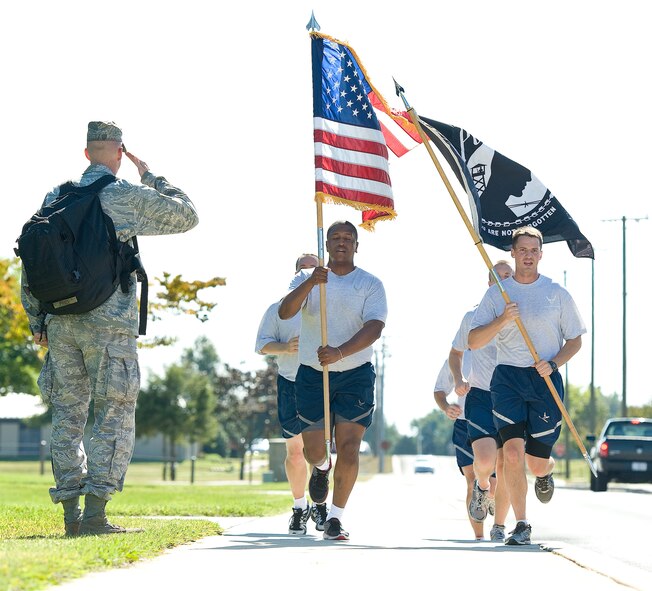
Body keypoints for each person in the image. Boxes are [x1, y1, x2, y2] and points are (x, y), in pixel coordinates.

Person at [21, 121, 199, 536]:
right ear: (119, 153)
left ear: (86, 154)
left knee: (67, 416)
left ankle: (69, 516)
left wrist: (37, 320)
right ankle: (96, 515)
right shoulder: (120, 195)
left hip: (60, 324)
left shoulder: (54, 198)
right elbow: (187, 216)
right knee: (113, 414)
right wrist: (152, 176)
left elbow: (33, 262)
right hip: (109, 325)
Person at [468, 227, 585, 545]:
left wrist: (555, 362)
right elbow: (474, 340)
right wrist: (502, 320)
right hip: (507, 379)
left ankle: (546, 471)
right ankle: (521, 524)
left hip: (545, 378)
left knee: (534, 462)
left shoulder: (556, 293)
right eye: (523, 249)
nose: (529, 255)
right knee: (513, 453)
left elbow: (575, 340)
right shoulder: (498, 294)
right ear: (513, 253)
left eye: (534, 249)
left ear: (541, 254)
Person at [278, 220, 387, 541]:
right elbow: (285, 312)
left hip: (355, 374)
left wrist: (339, 352)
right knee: (314, 452)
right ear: (327, 244)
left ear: (356, 245)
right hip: (312, 374)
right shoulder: (308, 278)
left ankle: (336, 517)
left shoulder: (370, 284)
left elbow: (375, 328)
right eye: (336, 237)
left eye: (348, 238)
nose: (342, 242)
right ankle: (321, 468)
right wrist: (311, 282)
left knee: (350, 447)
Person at [255, 252, 331, 535]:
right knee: (296, 453)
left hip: (323, 382)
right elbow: (261, 344)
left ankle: (320, 505)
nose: (310, 275)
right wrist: (285, 348)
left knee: (319, 451)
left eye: (315, 270)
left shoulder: (330, 308)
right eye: (304, 271)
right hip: (290, 382)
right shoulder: (279, 308)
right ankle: (300, 508)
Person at [449, 261, 513, 543]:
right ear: (489, 284)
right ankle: (482, 487)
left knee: (508, 464)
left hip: (513, 395)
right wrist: (457, 378)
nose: (504, 282)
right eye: (498, 279)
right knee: (485, 460)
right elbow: (455, 354)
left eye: (509, 277)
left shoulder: (523, 315)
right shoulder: (472, 317)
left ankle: (499, 525)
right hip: (481, 395)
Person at [433, 354, 496, 541]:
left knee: (493, 485)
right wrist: (446, 407)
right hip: (463, 425)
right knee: (472, 481)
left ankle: (495, 517)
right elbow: (439, 390)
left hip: (493, 422)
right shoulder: (457, 358)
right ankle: (480, 537)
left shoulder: (501, 349)